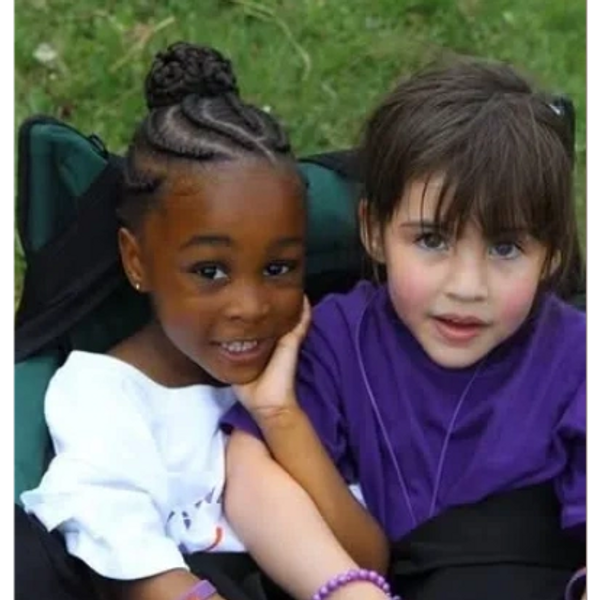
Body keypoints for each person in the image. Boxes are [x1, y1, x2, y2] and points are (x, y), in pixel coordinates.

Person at [11, 42, 393, 600]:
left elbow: (367, 562)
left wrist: (280, 416)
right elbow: (136, 565)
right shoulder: (104, 394)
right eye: (210, 271)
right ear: (137, 261)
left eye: (278, 268)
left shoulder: (305, 374)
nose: (250, 306)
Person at [222, 58, 587, 600]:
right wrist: (347, 590)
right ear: (373, 231)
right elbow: (250, 474)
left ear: (552, 254)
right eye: (432, 240)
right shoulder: (337, 338)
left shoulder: (574, 357)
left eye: (506, 247)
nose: (467, 286)